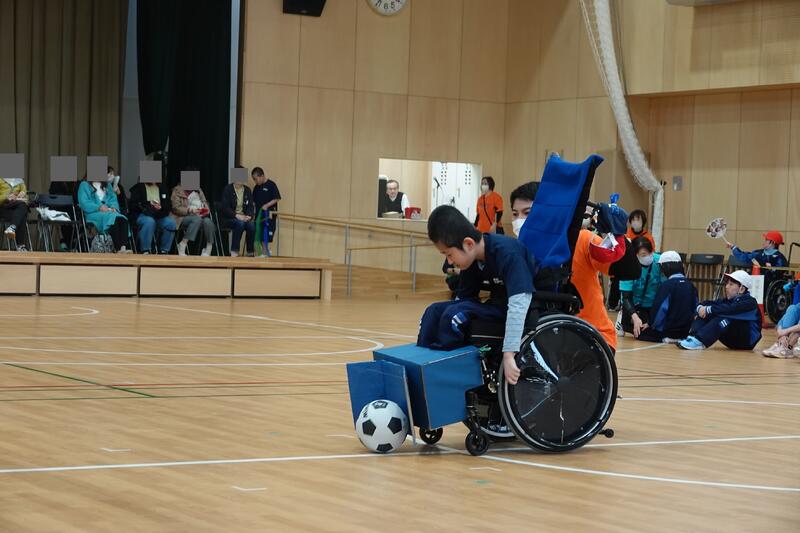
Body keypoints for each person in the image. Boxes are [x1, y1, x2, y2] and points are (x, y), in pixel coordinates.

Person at [417, 205, 537, 385]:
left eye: (449, 254)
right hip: (495, 306)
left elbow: (519, 305)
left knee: (454, 316)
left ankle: (446, 377)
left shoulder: (507, 253)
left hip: (522, 310)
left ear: (468, 244)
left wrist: (509, 354)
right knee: (433, 311)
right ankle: (420, 367)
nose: (449, 262)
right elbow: (461, 299)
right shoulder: (472, 260)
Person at [509, 182, 634, 352]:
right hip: (542, 336)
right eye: (515, 214)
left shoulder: (581, 240)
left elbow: (628, 270)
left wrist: (616, 232)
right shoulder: (515, 249)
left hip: (590, 334)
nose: (519, 220)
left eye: (527, 213)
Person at [679, 270, 762, 351]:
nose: (726, 287)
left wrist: (708, 309)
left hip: (747, 341)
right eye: (727, 283)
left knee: (723, 316)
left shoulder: (750, 303)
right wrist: (700, 308)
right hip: (732, 340)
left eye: (731, 284)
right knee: (707, 312)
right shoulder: (728, 301)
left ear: (742, 289)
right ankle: (693, 338)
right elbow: (707, 303)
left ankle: (700, 341)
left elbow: (730, 309)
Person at [633, 251, 698, 343]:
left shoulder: (666, 286)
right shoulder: (691, 285)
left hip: (668, 332)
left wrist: (650, 324)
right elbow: (696, 308)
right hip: (685, 332)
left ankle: (666, 338)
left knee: (640, 333)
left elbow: (659, 310)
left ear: (666, 267)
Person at [608, 208, 656, 310]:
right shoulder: (625, 234)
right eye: (633, 220)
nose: (635, 222)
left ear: (643, 222)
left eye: (638, 219)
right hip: (626, 264)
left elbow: (652, 253)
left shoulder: (648, 237)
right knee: (616, 278)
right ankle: (613, 304)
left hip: (642, 265)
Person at [616, 237, 664, 338]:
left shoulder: (659, 261)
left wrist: (652, 321)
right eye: (643, 255)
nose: (648, 257)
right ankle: (622, 320)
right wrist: (635, 317)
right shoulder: (627, 266)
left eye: (650, 253)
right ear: (635, 255)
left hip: (652, 304)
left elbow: (665, 290)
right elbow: (626, 298)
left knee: (652, 331)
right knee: (639, 332)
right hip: (634, 304)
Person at [77, 175, 130, 253]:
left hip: (108, 212)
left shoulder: (108, 185)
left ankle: (123, 248)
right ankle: (118, 249)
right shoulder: (84, 185)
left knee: (123, 219)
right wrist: (98, 207)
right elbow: (84, 202)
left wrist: (114, 207)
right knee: (113, 219)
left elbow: (113, 199)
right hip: (93, 213)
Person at [129, 180, 176, 254]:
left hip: (158, 215)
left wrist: (161, 207)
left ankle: (164, 250)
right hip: (142, 215)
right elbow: (133, 205)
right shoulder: (138, 187)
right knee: (150, 221)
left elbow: (168, 205)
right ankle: (145, 250)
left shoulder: (162, 187)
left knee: (171, 223)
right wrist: (149, 204)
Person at [170, 179, 215, 256]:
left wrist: (206, 208)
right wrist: (189, 210)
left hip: (198, 216)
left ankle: (208, 249)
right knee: (196, 219)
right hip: (182, 217)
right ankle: (183, 244)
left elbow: (204, 202)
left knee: (208, 222)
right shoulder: (177, 190)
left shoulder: (198, 190)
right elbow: (175, 208)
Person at [221, 180, 255, 257]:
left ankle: (250, 252)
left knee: (251, 226)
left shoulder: (247, 190)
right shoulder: (228, 189)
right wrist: (236, 215)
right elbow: (225, 208)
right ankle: (234, 251)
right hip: (230, 218)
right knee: (240, 223)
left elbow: (250, 206)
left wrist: (249, 216)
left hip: (244, 217)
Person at [251, 167, 280, 257]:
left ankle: (265, 252)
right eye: (253, 179)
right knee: (258, 234)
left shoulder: (271, 185)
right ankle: (262, 252)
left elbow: (277, 198)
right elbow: (254, 202)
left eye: (256, 179)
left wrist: (267, 205)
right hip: (259, 215)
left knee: (265, 234)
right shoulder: (256, 187)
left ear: (262, 176)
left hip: (268, 215)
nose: (255, 181)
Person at [0, 176, 30, 251]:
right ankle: (20, 246)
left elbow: (26, 197)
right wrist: (7, 197)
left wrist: (22, 197)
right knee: (22, 214)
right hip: (3, 207)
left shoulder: (19, 181)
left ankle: (12, 227)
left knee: (22, 206)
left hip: (16, 207)